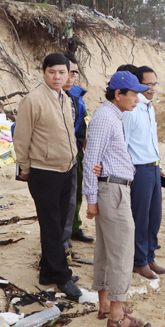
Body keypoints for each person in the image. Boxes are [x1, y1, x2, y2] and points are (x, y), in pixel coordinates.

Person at [83, 71, 148, 327]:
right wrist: (91, 198)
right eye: (133, 94)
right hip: (113, 190)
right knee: (121, 251)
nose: (138, 99)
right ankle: (116, 315)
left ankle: (105, 305)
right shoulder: (105, 118)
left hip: (112, 188)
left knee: (107, 249)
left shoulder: (111, 116)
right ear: (118, 94)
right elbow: (90, 159)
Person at [13, 53, 81, 299]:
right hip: (45, 172)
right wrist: (26, 168)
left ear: (68, 74)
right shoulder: (33, 100)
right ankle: (62, 277)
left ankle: (47, 272)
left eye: (62, 72)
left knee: (60, 221)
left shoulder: (64, 97)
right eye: (52, 71)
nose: (57, 76)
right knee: (52, 225)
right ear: (44, 72)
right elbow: (21, 138)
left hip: (67, 168)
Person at [118, 64, 165, 279]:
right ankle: (139, 262)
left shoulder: (150, 107)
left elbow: (150, 141)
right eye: (147, 84)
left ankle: (149, 257)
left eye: (154, 84)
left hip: (153, 168)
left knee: (153, 217)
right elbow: (124, 143)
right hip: (138, 170)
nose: (152, 88)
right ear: (137, 85)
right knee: (140, 217)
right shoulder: (132, 110)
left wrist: (159, 165)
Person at [62, 55, 94, 263]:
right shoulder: (47, 96)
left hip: (76, 150)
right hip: (57, 154)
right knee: (62, 197)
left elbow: (80, 122)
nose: (71, 76)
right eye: (68, 72)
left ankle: (74, 228)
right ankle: (61, 238)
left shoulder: (76, 96)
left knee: (76, 191)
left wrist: (82, 144)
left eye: (75, 72)